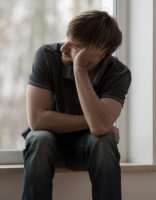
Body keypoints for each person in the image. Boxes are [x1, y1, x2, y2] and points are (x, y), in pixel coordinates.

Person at [21, 10, 131, 200]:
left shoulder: (118, 74)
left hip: (87, 148)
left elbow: (98, 129)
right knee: (39, 138)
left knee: (104, 140)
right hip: (49, 146)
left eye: (75, 45)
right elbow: (37, 121)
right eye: (67, 39)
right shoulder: (47, 56)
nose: (64, 48)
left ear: (100, 51)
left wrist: (79, 68)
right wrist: (96, 122)